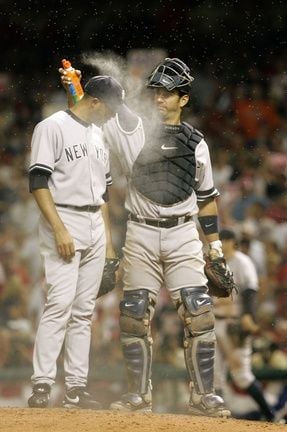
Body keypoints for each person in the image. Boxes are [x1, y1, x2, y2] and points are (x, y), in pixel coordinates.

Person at [60, 57, 231, 417]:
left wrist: (214, 251)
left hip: (184, 232)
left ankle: (204, 396)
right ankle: (139, 395)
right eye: (156, 91)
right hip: (140, 231)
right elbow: (91, 113)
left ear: (184, 98)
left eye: (168, 93)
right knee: (133, 316)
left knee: (199, 315)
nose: (159, 98)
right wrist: (76, 89)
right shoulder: (132, 130)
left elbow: (207, 200)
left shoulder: (197, 143)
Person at [27, 75, 122, 409]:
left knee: (84, 310)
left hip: (95, 220)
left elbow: (105, 194)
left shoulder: (99, 135)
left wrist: (108, 243)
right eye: (110, 108)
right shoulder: (50, 127)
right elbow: (38, 182)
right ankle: (41, 383)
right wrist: (59, 229)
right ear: (94, 101)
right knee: (60, 303)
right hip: (63, 216)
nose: (113, 115)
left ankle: (76, 387)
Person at [214, 228, 276, 421]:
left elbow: (250, 290)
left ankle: (271, 417)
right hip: (215, 322)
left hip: (235, 325)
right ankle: (219, 419)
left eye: (224, 240)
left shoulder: (242, 261)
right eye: (219, 240)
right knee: (215, 376)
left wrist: (248, 315)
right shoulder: (215, 264)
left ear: (233, 242)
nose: (221, 244)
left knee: (242, 375)